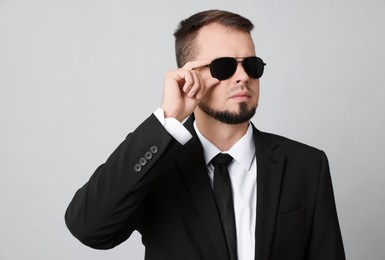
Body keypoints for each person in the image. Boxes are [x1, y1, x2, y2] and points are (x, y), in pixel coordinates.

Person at [65, 10, 345, 260]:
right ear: (188, 74)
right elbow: (89, 228)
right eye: (224, 66)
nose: (242, 76)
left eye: (251, 65)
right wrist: (168, 119)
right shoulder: (157, 165)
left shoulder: (307, 165)